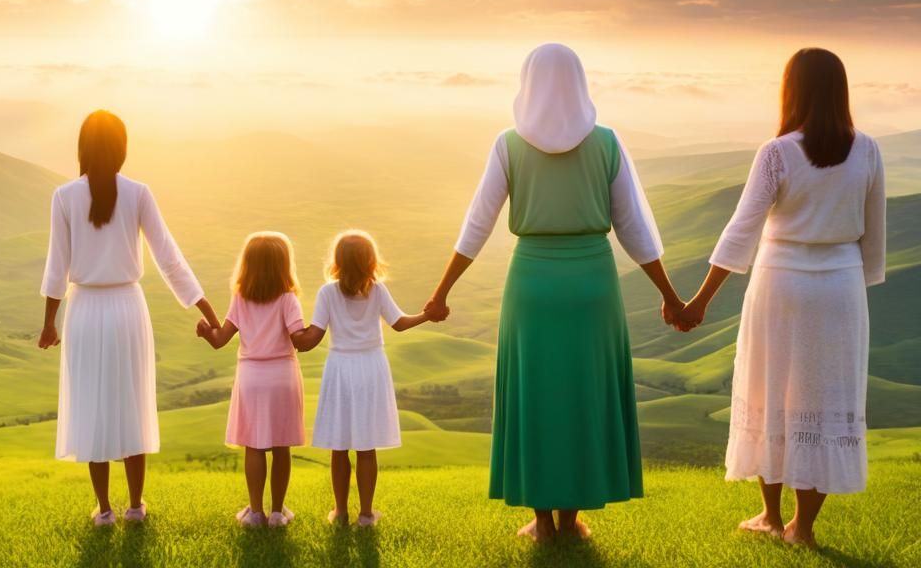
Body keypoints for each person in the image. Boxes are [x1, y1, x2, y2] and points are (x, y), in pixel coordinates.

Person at [423, 43, 681, 542]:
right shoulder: (606, 143)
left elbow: (477, 225)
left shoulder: (508, 145)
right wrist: (670, 297)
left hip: (532, 285)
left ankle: (542, 522)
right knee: (584, 395)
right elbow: (634, 229)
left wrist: (441, 294)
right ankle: (571, 519)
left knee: (536, 396)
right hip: (593, 285)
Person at [679, 48, 885, 549]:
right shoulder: (869, 150)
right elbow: (874, 233)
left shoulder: (777, 152)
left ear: (792, 90)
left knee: (770, 391)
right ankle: (803, 528)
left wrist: (699, 302)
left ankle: (771, 517)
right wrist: (854, 284)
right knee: (827, 398)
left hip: (780, 284)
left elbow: (741, 230)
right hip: (840, 287)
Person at [38, 109, 221, 526]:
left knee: (92, 407)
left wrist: (49, 323)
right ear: (122, 148)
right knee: (131, 404)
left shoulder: (64, 196)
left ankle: (104, 509)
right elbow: (169, 258)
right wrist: (207, 310)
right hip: (127, 310)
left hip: (84, 311)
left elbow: (56, 267)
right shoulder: (139, 193)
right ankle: (136, 506)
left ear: (82, 148)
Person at [293, 230, 436, 526]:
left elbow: (312, 337)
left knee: (339, 445)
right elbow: (399, 323)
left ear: (338, 261)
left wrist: (287, 330)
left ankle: (340, 512)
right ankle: (367, 514)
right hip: (371, 368)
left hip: (340, 368)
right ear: (371, 261)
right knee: (366, 446)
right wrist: (427, 315)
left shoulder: (327, 293)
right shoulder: (378, 290)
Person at [197, 231, 306, 528]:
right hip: (282, 376)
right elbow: (298, 337)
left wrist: (206, 332)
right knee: (282, 446)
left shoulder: (241, 299)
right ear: (284, 265)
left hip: (251, 378)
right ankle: (277, 512)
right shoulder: (288, 299)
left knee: (254, 446)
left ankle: (255, 512)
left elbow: (220, 340)